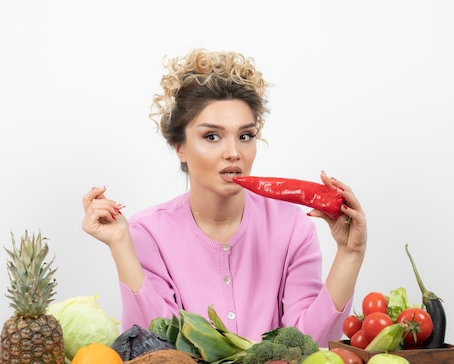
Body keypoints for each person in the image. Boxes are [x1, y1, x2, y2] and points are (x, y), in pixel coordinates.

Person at [82, 49, 367, 346]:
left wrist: (349, 255)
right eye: (212, 136)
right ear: (180, 146)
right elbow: (153, 346)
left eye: (245, 136)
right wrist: (120, 246)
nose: (233, 152)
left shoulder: (293, 227)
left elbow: (310, 345)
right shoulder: (148, 233)